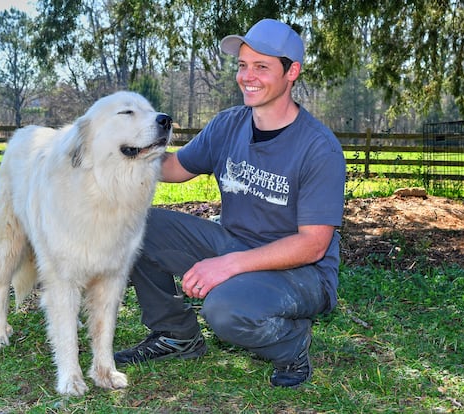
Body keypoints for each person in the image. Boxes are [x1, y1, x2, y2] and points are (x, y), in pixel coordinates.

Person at [114, 18, 346, 388]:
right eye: (242, 65)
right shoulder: (228, 125)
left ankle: (292, 344)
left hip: (303, 272)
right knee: (136, 227)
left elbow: (314, 244)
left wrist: (227, 265)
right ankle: (175, 335)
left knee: (224, 310)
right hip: (234, 243)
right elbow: (174, 167)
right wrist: (127, 152)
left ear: (292, 72)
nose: (247, 76)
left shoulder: (319, 148)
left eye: (261, 66)